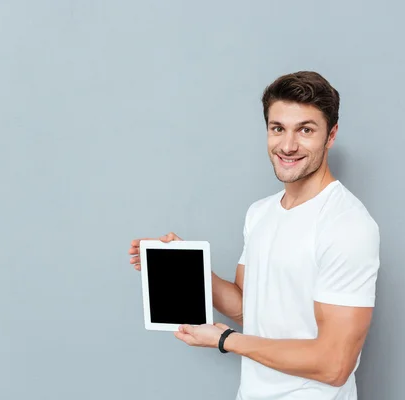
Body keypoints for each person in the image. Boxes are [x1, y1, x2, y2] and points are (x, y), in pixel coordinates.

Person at [128, 71, 381, 400]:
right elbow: (250, 309)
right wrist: (187, 266)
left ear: (330, 136)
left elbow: (335, 365)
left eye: (305, 130)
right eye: (278, 129)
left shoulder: (347, 225)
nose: (288, 146)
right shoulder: (260, 213)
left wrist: (225, 340)